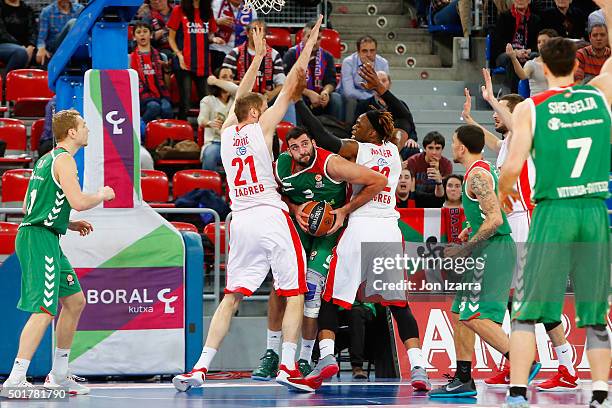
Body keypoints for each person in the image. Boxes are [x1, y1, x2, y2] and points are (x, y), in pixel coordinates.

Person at [172, 17, 324, 393]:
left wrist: (256, 59)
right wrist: (307, 44)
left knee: (231, 296)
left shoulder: (224, 134)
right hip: (270, 214)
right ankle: (288, 365)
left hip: (239, 219)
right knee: (293, 293)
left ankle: (200, 367)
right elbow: (291, 84)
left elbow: (241, 96)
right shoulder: (261, 127)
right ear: (256, 112)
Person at [498, 0, 612, 402]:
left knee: (528, 309)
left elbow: (512, 165)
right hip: (595, 209)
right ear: (577, 65)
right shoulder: (599, 97)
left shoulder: (533, 106)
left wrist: (503, 189)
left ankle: (516, 388)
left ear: (543, 68)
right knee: (595, 312)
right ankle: (599, 389)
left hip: (553, 211)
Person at [296, 71, 432, 393]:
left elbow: (323, 139)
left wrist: (297, 102)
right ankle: (418, 367)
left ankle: (327, 357)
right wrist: (383, 91)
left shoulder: (359, 149)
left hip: (359, 226)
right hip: (388, 230)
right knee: (399, 304)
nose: (355, 124)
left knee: (333, 298)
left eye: (360, 122)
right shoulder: (395, 148)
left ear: (371, 130)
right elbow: (404, 117)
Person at [463, 69, 578, 391]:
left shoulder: (523, 136)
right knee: (517, 300)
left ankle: (558, 364)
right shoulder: (508, 144)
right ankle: (518, 360)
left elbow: (512, 128)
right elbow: (496, 140)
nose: (496, 115)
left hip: (523, 222)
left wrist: (488, 100)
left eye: (501, 109)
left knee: (528, 300)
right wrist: (471, 120)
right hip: (516, 223)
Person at [252, 124, 392, 379]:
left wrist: (344, 211)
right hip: (300, 227)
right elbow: (273, 194)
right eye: (295, 147)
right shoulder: (281, 166)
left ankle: (305, 358)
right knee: (280, 286)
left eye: (305, 144)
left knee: (312, 291)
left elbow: (379, 181)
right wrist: (294, 208)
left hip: (328, 233)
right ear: (288, 150)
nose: (302, 151)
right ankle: (272, 354)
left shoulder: (332, 164)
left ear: (313, 143)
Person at [0, 110, 115, 398]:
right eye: (84, 126)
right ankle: (15, 378)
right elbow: (77, 200)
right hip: (39, 239)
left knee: (75, 301)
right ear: (72, 133)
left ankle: (59, 375)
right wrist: (102, 194)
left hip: (44, 234)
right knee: (44, 310)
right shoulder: (64, 160)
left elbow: (31, 205)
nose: (88, 130)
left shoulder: (46, 159)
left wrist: (67, 222)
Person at [428, 125, 531, 398]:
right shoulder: (483, 170)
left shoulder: (477, 176)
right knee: (462, 311)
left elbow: (496, 219)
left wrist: (466, 247)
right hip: (487, 247)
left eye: (453, 142)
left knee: (474, 315)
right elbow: (491, 209)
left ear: (461, 147)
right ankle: (463, 378)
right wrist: (469, 227)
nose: (452, 146)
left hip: (492, 249)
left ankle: (523, 361)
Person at [222, 20, 295, 124]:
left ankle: (290, 134)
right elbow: (224, 80)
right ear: (247, 33)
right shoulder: (234, 54)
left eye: (261, 30)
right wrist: (239, 88)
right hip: (240, 100)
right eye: (254, 30)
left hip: (266, 99)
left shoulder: (274, 54)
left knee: (288, 99)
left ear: (265, 34)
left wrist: (270, 95)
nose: (258, 33)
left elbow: (282, 84)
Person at [168, 0, 224, 119]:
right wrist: (179, 55)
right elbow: (171, 38)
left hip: (203, 63)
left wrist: (214, 39)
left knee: (207, 101)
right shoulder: (179, 10)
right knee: (185, 102)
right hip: (184, 63)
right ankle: (181, 135)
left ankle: (206, 134)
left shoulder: (208, 11)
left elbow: (209, 35)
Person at [283, 20, 342, 120]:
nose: (314, 41)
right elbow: (286, 81)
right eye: (310, 37)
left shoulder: (327, 56)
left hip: (320, 95)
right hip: (300, 93)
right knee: (293, 99)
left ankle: (335, 129)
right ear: (303, 37)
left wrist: (326, 92)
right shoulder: (292, 54)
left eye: (318, 38)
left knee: (336, 99)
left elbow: (331, 81)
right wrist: (309, 93)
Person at [130, 21, 173, 135]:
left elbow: (167, 85)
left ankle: (165, 138)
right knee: (154, 107)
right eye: (138, 32)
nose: (142, 34)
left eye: (145, 31)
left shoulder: (161, 56)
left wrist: (167, 70)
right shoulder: (130, 58)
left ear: (151, 35)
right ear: (134, 37)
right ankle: (139, 130)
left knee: (167, 108)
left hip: (160, 94)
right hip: (141, 95)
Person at [491, 0, 542, 92]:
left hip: (527, 52)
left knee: (536, 56)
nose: (520, 1)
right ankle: (514, 95)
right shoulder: (504, 17)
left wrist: (528, 51)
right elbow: (498, 42)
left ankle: (534, 92)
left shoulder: (535, 19)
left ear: (529, 1)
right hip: (505, 53)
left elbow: (537, 42)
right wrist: (514, 52)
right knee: (512, 58)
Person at [340, 36, 389, 123]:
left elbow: (384, 87)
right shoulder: (348, 62)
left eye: (372, 50)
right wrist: (370, 98)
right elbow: (349, 91)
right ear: (358, 52)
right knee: (352, 101)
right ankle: (350, 131)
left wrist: (371, 69)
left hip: (372, 96)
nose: (369, 54)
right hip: (352, 96)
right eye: (364, 51)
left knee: (385, 101)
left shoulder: (383, 63)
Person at [198, 67, 235, 171]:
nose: (228, 80)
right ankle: (207, 185)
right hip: (215, 142)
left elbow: (238, 89)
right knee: (210, 154)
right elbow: (201, 120)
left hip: (234, 143)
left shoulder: (237, 100)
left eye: (231, 77)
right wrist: (210, 123)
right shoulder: (208, 100)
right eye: (224, 77)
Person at [405, 131, 452, 208]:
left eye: (437, 148)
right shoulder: (413, 161)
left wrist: (438, 175)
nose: (434, 152)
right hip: (416, 202)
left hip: (439, 203)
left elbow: (446, 192)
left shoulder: (446, 164)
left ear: (442, 150)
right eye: (430, 148)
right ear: (425, 149)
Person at [506, 29, 557, 95]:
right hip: (538, 103)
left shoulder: (561, 62)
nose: (541, 44)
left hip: (556, 102)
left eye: (544, 41)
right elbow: (522, 75)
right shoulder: (532, 64)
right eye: (539, 42)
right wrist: (513, 58)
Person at [210, 0, 256, 72]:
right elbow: (206, 23)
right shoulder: (217, 3)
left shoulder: (249, 7)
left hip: (240, 51)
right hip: (218, 49)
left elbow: (254, 28)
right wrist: (217, 21)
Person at [36, 0, 83, 65]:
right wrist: (41, 48)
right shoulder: (47, 11)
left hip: (77, 44)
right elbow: (41, 37)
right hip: (57, 46)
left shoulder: (80, 9)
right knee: (72, 22)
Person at [0, 0, 35, 76]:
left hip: (25, 46)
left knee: (46, 56)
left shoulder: (27, 9)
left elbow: (32, 31)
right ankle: (5, 85)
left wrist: (30, 46)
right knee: (20, 53)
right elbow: (2, 33)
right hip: (3, 45)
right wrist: (21, 46)